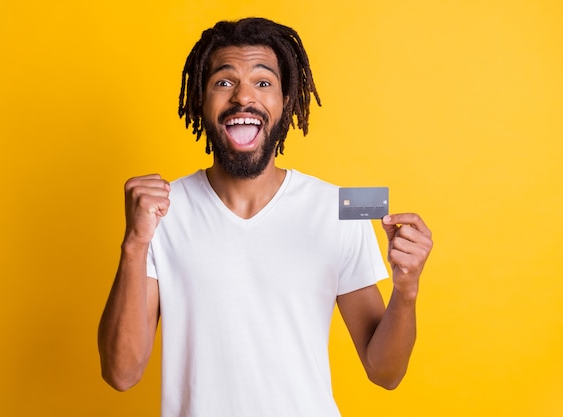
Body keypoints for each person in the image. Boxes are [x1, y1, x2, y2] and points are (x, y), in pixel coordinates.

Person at [98, 17, 433, 417]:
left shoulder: (337, 209)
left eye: (262, 82)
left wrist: (407, 290)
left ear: (285, 100)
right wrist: (134, 244)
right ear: (201, 101)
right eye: (224, 82)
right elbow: (121, 373)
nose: (243, 97)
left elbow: (385, 372)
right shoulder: (161, 213)